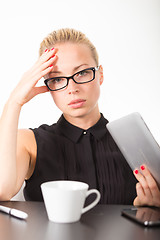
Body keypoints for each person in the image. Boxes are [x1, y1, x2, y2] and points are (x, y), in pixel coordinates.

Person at [0, 28, 160, 206]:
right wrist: (13, 103)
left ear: (100, 74)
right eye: (57, 79)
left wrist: (144, 208)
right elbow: (2, 190)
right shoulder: (29, 142)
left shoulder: (134, 143)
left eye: (82, 72)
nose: (72, 88)